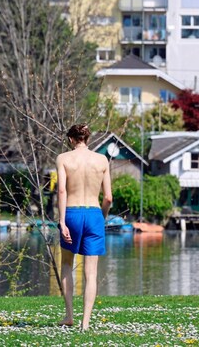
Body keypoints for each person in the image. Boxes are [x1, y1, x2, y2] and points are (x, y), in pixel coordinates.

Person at [56, 124, 112, 331]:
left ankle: (69, 315)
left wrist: (62, 222)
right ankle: (85, 323)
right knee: (91, 273)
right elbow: (108, 197)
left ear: (71, 139)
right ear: (87, 139)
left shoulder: (63, 159)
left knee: (67, 265)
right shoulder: (102, 160)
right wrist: (101, 218)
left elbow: (62, 191)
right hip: (94, 213)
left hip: (71, 213)